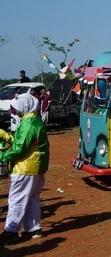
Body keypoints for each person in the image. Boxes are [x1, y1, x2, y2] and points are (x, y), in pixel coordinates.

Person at [0, 93, 50, 244]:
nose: (13, 111)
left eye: (15, 108)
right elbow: (22, 142)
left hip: (26, 167)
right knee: (32, 198)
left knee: (17, 199)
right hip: (35, 166)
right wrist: (7, 136)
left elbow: (20, 148)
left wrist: (2, 157)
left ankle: (11, 231)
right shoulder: (33, 121)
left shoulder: (29, 124)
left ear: (25, 106)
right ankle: (33, 229)